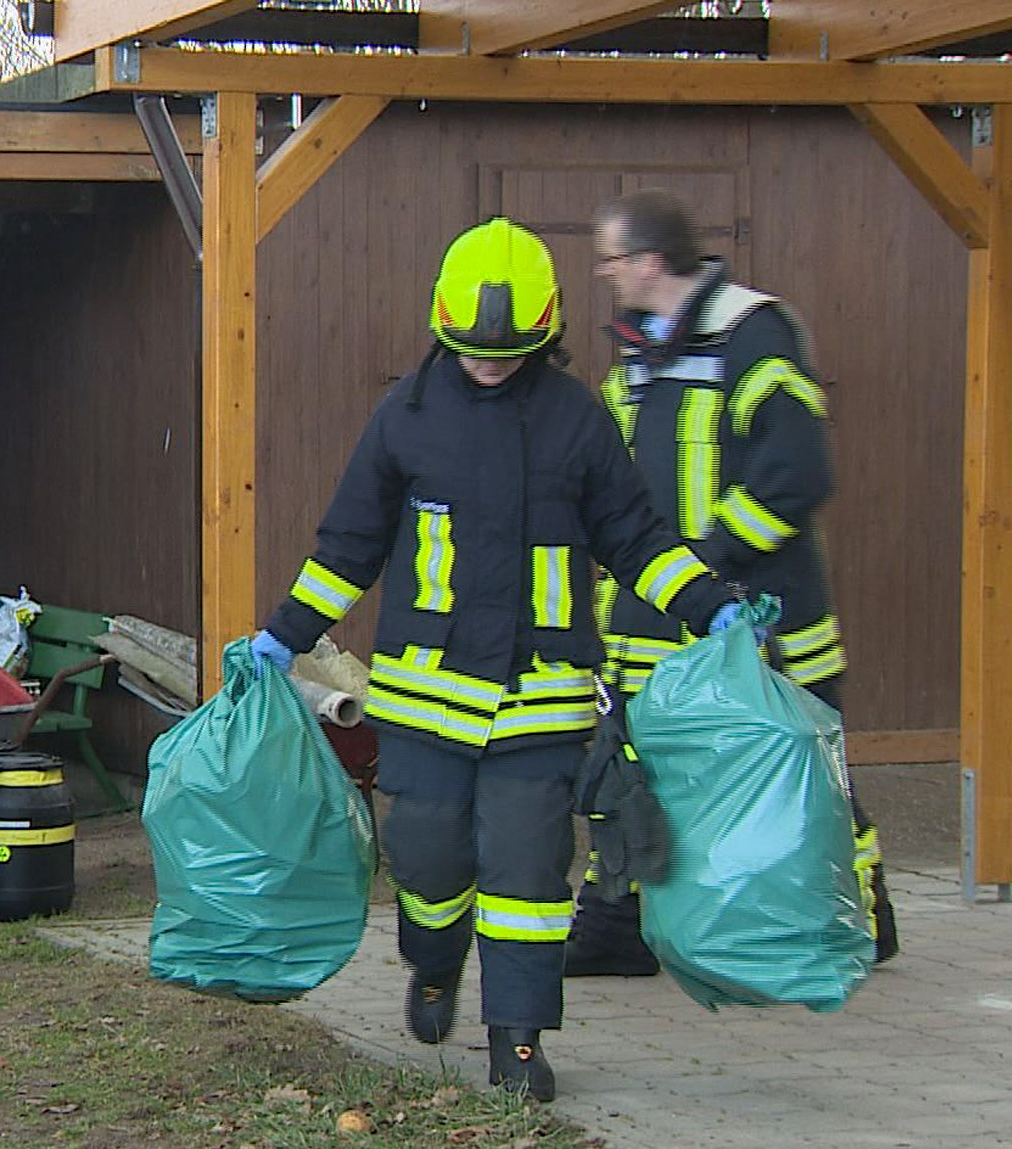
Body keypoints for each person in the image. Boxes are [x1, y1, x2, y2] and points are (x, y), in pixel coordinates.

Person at [251, 217, 743, 1101]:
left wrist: (712, 607)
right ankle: (434, 962)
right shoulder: (404, 415)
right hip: (427, 699)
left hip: (539, 701)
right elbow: (348, 548)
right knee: (430, 861)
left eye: (507, 350)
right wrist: (285, 634)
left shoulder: (577, 421)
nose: (488, 361)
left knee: (527, 872)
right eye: (473, 350)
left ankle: (517, 1039)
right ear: (442, 328)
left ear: (544, 330)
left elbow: (635, 539)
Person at [567, 188, 897, 979]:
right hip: (651, 618)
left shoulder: (754, 333)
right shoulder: (641, 352)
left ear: (649, 261)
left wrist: (705, 565)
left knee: (805, 776)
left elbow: (796, 474)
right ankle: (618, 924)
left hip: (761, 618)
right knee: (629, 764)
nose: (605, 275)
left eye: (612, 259)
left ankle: (861, 916)